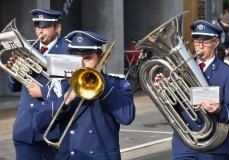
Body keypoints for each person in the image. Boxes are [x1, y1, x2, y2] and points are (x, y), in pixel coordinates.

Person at [32, 30, 136, 160]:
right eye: (77, 59)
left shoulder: (116, 84)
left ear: (101, 57)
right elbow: (39, 124)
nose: (82, 64)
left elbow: (126, 117)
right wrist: (66, 99)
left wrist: (101, 85)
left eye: (87, 58)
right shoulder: (60, 85)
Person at [154, 20, 229, 160]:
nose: (200, 47)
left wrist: (220, 110)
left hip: (214, 147)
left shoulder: (228, 73)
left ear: (216, 43)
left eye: (205, 42)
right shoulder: (180, 71)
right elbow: (173, 106)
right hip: (184, 144)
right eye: (197, 42)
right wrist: (164, 89)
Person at [6, 9, 69, 160]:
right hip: (26, 129)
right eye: (37, 26)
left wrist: (43, 92)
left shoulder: (68, 50)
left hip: (54, 130)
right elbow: (13, 87)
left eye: (45, 26)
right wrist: (15, 69)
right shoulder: (27, 47)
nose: (40, 30)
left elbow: (70, 89)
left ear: (57, 28)